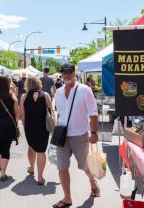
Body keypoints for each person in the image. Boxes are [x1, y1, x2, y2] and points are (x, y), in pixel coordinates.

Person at [52, 63, 99, 208]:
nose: (66, 75)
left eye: (69, 72)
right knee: (62, 166)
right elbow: (60, 113)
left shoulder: (84, 90)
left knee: (85, 166)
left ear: (74, 73)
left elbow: (93, 112)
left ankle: (92, 182)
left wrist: (94, 132)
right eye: (64, 72)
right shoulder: (58, 92)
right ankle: (67, 197)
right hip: (62, 136)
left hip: (80, 135)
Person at [20, 76, 51, 185]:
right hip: (43, 126)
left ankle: (32, 168)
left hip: (29, 126)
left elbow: (22, 116)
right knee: (41, 151)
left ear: (27, 85)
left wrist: (25, 125)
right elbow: (50, 112)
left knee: (31, 146)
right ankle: (40, 177)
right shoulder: (46, 95)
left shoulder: (24, 97)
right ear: (39, 83)